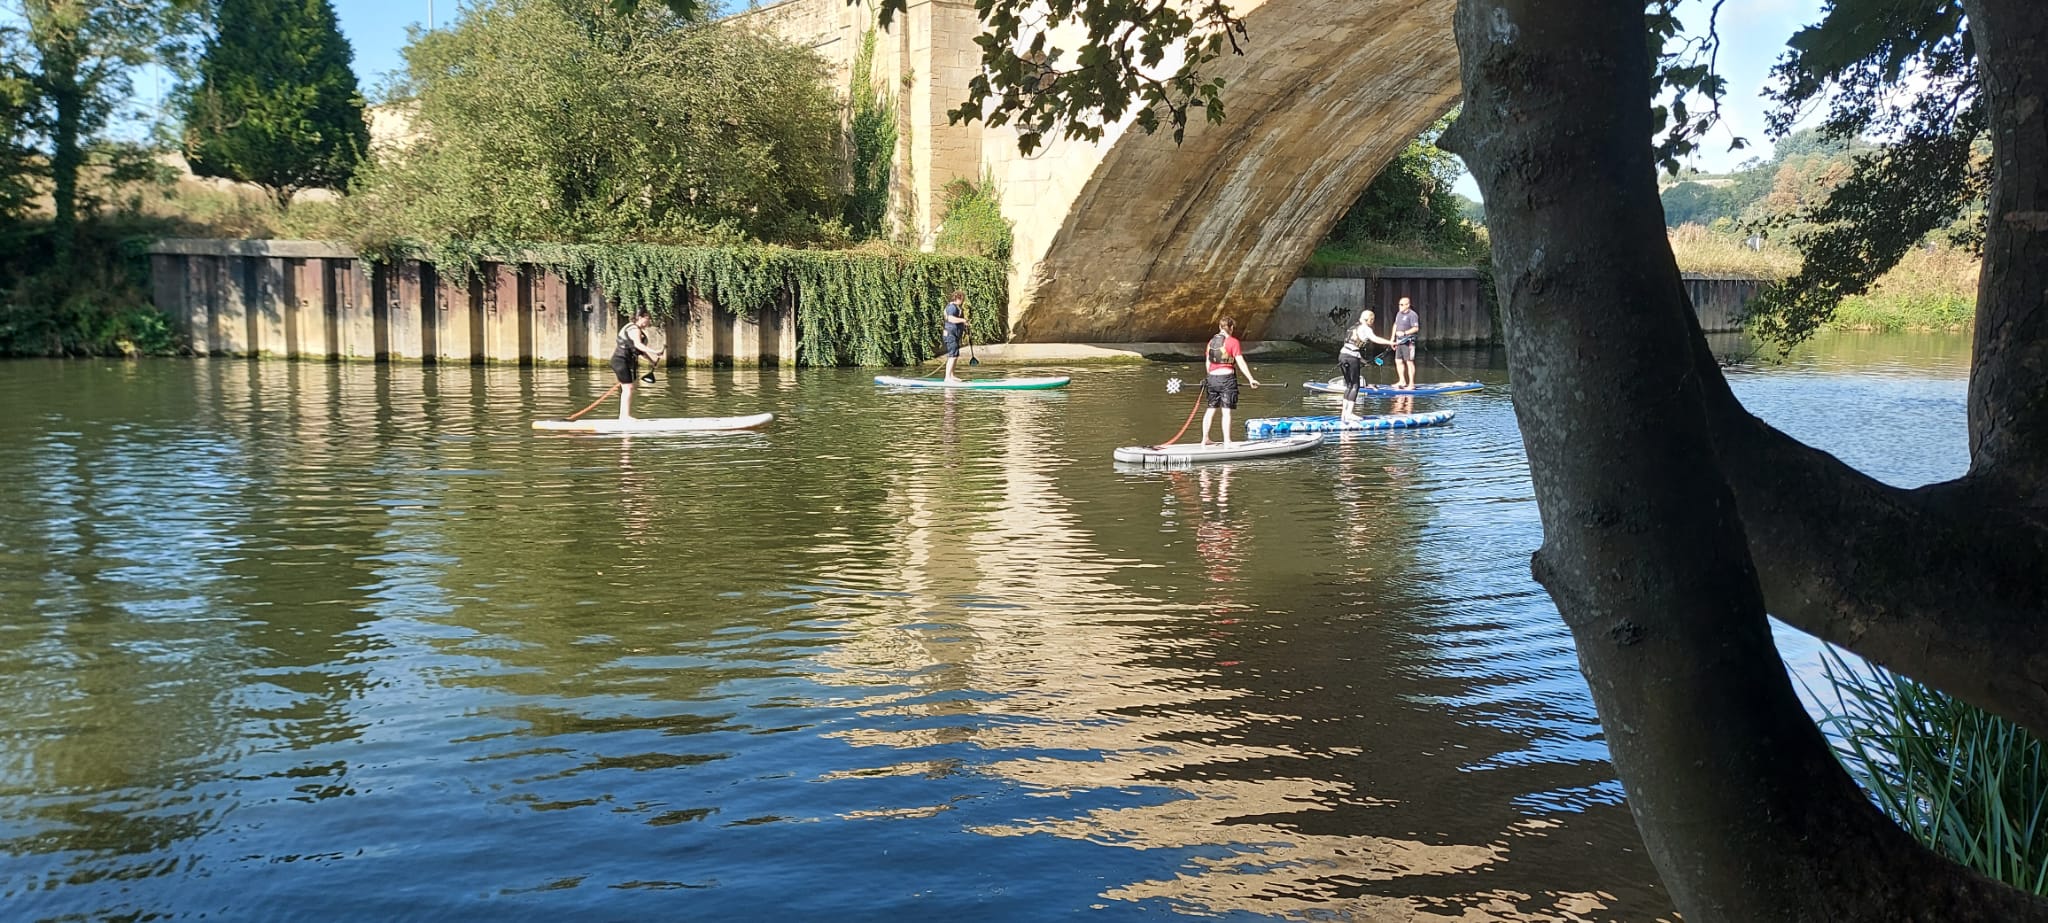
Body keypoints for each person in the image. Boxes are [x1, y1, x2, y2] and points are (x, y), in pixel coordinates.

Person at [1199, 316, 1261, 446]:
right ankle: (1227, 440)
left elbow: (1208, 362)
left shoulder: (1211, 342)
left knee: (1210, 409)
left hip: (1212, 378)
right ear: (1231, 328)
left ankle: (1205, 439)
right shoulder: (1233, 342)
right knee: (1226, 411)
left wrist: (1209, 377)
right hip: (1227, 379)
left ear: (1220, 327)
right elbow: (1240, 362)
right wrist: (1250, 379)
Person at [1336, 309, 1396, 421]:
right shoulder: (1366, 328)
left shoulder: (1353, 327)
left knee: (1349, 385)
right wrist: (1390, 342)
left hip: (1342, 355)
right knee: (1355, 385)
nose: (1372, 322)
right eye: (1372, 320)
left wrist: (1362, 360)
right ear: (1370, 320)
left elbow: (1352, 346)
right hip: (1351, 357)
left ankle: (1344, 414)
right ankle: (1349, 414)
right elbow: (1375, 339)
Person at [610, 310, 664, 420]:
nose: (649, 322)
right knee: (628, 388)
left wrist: (652, 361)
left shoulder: (637, 330)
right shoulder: (634, 329)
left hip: (623, 361)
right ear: (640, 317)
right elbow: (638, 345)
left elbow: (640, 352)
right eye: (648, 319)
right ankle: (624, 416)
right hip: (620, 360)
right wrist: (655, 352)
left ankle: (624, 416)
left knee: (628, 388)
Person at [1390, 295, 1422, 390]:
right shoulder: (1399, 314)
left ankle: (1411, 384)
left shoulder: (1412, 315)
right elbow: (1395, 325)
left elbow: (1416, 328)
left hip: (1408, 341)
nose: (1400, 306)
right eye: (1399, 304)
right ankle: (1402, 381)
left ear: (1407, 305)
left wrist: (1404, 333)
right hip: (1399, 341)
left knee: (1409, 361)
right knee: (1398, 361)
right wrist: (1392, 339)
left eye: (1402, 305)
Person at [941, 290, 970, 383]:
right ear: (958, 298)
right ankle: (947, 377)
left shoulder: (956, 307)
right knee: (952, 355)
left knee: (955, 354)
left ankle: (952, 375)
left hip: (955, 334)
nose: (963, 300)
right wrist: (963, 320)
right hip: (950, 334)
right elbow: (950, 319)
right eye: (962, 298)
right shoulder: (952, 307)